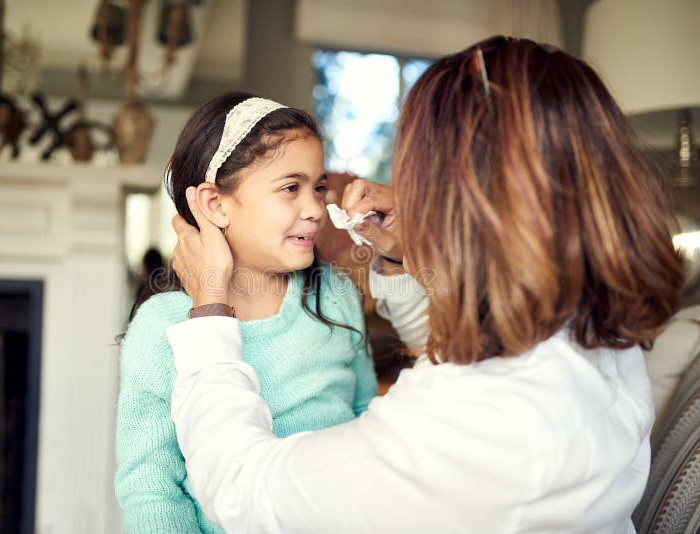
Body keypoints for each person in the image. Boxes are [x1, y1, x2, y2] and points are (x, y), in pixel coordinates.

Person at [165, 36, 685, 533]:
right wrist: (406, 254)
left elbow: (240, 488)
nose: (313, 207)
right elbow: (446, 353)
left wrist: (211, 308)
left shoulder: (483, 431)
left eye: (420, 179)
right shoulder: (593, 333)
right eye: (290, 187)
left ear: (466, 203)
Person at [114, 92, 382, 533]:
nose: (316, 209)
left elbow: (366, 426)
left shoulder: (334, 298)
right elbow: (151, 487)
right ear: (217, 205)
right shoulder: (163, 324)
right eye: (290, 188)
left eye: (317, 187)